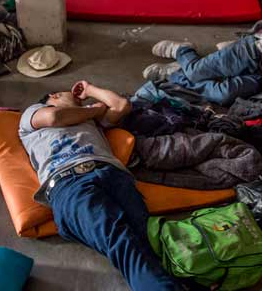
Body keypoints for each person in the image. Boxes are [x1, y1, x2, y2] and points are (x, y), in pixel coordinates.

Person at [19, 80, 179, 291]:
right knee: (122, 243)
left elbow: (122, 105)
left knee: (151, 239)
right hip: (69, 182)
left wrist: (90, 89)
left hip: (113, 175)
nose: (81, 101)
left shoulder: (89, 118)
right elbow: (54, 117)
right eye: (75, 98)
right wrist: (93, 110)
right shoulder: (33, 113)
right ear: (54, 96)